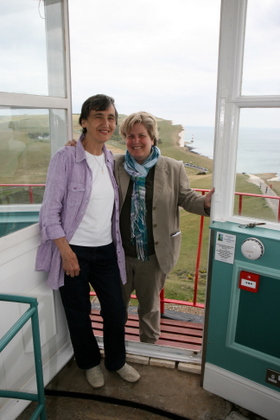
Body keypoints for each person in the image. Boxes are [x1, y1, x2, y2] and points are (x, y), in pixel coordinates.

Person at [35, 94, 140, 389]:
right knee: (79, 311)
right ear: (83, 122)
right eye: (98, 116)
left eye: (110, 117)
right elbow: (50, 211)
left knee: (116, 310)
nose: (105, 123)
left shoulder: (109, 158)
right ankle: (89, 362)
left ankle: (116, 361)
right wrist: (66, 253)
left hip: (107, 250)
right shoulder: (65, 158)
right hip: (74, 252)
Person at [114, 112, 214, 343]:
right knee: (116, 306)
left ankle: (149, 346)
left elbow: (187, 198)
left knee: (149, 308)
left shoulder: (172, 167)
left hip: (153, 254)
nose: (135, 141)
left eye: (141, 135)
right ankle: (116, 348)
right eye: (130, 136)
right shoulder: (114, 164)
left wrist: (205, 203)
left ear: (152, 138)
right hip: (119, 254)